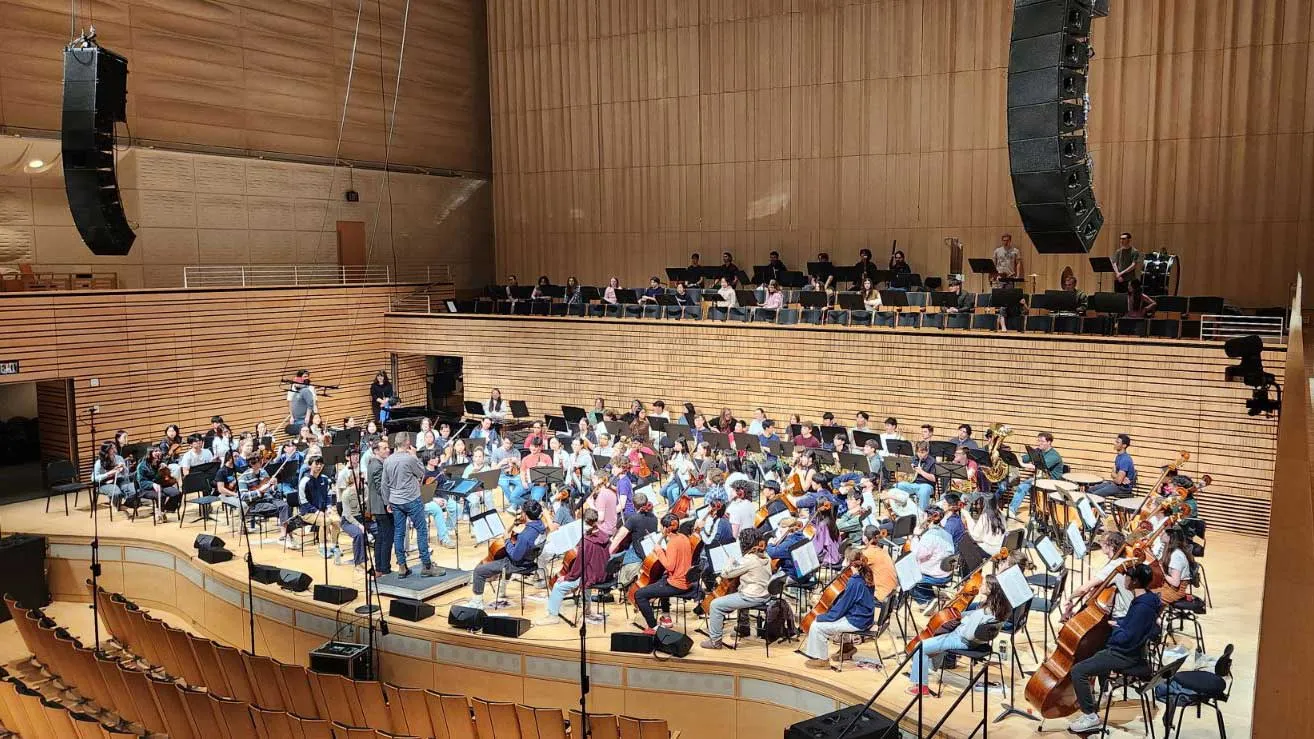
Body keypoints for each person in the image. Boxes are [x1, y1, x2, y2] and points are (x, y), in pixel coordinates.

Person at [1066, 564, 1162, 733]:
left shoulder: (1142, 607)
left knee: (1078, 671)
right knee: (1098, 650)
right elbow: (1135, 624)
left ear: (1134, 581)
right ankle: (1101, 694)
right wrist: (1119, 623)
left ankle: (1090, 716)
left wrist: (1115, 631)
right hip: (1131, 650)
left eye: (1127, 577)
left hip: (1125, 655)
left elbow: (1126, 638)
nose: (1124, 579)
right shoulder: (1147, 598)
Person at [908, 575, 1012, 694]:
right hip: (976, 641)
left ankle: (921, 688)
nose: (981, 585)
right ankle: (928, 666)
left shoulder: (981, 613)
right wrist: (960, 615)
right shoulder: (998, 609)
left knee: (920, 647)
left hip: (962, 640)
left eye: (984, 584)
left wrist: (959, 624)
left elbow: (968, 635)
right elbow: (973, 615)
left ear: (990, 589)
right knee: (938, 636)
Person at [535, 508, 611, 626]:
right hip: (604, 574)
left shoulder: (587, 541)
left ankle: (552, 616)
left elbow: (579, 566)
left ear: (583, 522)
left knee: (558, 586)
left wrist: (566, 577)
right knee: (586, 579)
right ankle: (587, 610)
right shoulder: (605, 536)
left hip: (592, 577)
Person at [801, 551, 876, 669]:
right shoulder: (867, 575)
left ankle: (822, 660)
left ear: (850, 563)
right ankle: (847, 648)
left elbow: (842, 607)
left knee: (816, 626)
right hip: (866, 618)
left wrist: (822, 617)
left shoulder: (854, 581)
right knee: (836, 618)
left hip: (857, 621)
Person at [701, 528, 773, 650]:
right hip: (765, 593)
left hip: (753, 596)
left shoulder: (749, 560)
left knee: (715, 605)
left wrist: (730, 561)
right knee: (740, 589)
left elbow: (725, 573)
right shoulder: (765, 555)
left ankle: (715, 641)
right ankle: (744, 628)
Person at [465, 502, 547, 609]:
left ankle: (477, 602)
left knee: (479, 571)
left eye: (522, 512)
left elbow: (515, 557)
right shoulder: (541, 525)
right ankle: (502, 589)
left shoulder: (525, 536)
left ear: (525, 514)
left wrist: (507, 539)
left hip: (518, 565)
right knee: (503, 556)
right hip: (532, 560)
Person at [383, 433, 440, 579]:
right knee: (421, 530)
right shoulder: (409, 458)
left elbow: (384, 484)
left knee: (399, 532)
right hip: (412, 499)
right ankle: (426, 566)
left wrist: (387, 502)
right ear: (407, 442)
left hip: (395, 501)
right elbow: (422, 472)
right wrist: (415, 456)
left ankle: (402, 566)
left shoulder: (388, 460)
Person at [634, 513, 695, 634]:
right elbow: (678, 557)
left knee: (639, 594)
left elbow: (669, 566)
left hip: (676, 584)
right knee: (661, 580)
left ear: (665, 528)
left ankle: (653, 627)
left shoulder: (672, 542)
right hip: (686, 580)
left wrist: (659, 551)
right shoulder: (683, 537)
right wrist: (664, 551)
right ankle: (665, 615)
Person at [1063, 531, 1134, 620]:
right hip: (1131, 610)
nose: (1100, 544)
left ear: (1111, 547)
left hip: (1123, 616)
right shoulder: (1125, 560)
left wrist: (1070, 598)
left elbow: (1083, 589)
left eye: (1103, 542)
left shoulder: (1114, 566)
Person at [1006, 431, 1065, 518]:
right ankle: (1012, 510)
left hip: (1052, 482)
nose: (1039, 443)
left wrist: (1023, 465)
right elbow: (1024, 458)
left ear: (1049, 442)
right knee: (1023, 486)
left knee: (1026, 486)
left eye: (1042, 441)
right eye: (1038, 441)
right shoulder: (1037, 451)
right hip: (1040, 479)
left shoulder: (1054, 455)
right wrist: (1011, 457)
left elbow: (1038, 466)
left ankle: (1039, 513)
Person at [909, 509, 955, 607]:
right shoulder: (946, 533)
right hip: (946, 572)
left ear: (929, 518)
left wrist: (915, 537)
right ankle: (929, 596)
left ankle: (926, 601)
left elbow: (916, 555)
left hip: (936, 575)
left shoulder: (929, 537)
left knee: (908, 578)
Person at [365, 438, 394, 575]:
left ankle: (381, 567)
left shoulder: (375, 463)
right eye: (384, 448)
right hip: (381, 506)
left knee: (382, 537)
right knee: (386, 537)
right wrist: (389, 503)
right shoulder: (377, 465)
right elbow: (380, 487)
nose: (388, 450)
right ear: (376, 451)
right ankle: (384, 568)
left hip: (379, 506)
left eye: (388, 448)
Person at [1153, 526, 1195, 606]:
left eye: (1163, 533)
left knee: (1145, 597)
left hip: (1175, 591)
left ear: (1170, 537)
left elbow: (1175, 583)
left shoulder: (1176, 556)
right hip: (1168, 586)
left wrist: (1162, 572)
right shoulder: (1170, 551)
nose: (1160, 534)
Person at [1089, 433, 1137, 499]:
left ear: (1124, 445)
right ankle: (1098, 507)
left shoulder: (1125, 459)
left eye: (1117, 442)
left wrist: (1118, 478)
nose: (1114, 443)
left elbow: (1118, 481)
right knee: (1090, 490)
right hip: (1116, 484)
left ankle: (1099, 508)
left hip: (1122, 488)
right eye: (1115, 441)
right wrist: (1118, 477)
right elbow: (1112, 474)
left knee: (1094, 496)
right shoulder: (1118, 456)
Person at [895, 442, 937, 510]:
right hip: (912, 484)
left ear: (927, 451)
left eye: (922, 452)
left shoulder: (932, 461)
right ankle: (900, 510)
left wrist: (921, 472)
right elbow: (904, 474)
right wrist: (908, 469)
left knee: (924, 491)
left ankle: (922, 513)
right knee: (897, 486)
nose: (920, 454)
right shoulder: (913, 459)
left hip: (926, 485)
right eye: (918, 452)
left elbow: (934, 478)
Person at [93, 440, 132, 510]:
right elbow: (94, 478)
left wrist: (123, 469)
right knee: (116, 493)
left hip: (118, 480)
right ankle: (118, 506)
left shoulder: (119, 458)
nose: (114, 450)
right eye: (112, 448)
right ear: (106, 450)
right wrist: (109, 473)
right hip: (104, 483)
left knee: (131, 489)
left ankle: (128, 504)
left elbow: (126, 473)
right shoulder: (99, 462)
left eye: (114, 447)